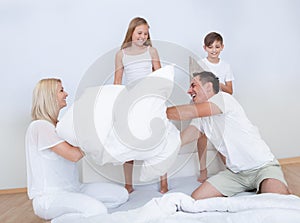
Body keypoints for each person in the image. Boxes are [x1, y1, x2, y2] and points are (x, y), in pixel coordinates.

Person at [166, 71, 290, 200]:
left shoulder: (223, 99)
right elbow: (181, 139)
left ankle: (265, 184)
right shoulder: (201, 119)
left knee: (278, 200)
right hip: (236, 175)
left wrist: (158, 111)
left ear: (208, 86)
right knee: (197, 198)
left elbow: (186, 112)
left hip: (262, 167)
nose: (189, 91)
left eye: (193, 85)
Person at [25, 78, 128, 222]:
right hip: (50, 197)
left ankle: (85, 213)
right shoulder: (39, 126)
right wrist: (96, 136)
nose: (66, 94)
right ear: (50, 96)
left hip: (75, 189)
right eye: (61, 90)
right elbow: (73, 155)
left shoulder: (60, 126)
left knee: (121, 195)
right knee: (98, 210)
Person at [113, 17, 168, 194]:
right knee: (128, 140)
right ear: (131, 33)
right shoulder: (121, 54)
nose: (142, 36)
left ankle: (164, 183)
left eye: (145, 33)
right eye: (139, 33)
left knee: (159, 139)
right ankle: (128, 184)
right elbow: (117, 80)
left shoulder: (151, 51)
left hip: (150, 99)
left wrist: (159, 96)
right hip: (131, 101)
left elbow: (159, 75)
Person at [197, 32, 235, 183]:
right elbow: (196, 86)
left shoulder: (226, 66)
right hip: (204, 104)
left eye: (217, 47)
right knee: (202, 136)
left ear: (222, 47)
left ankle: (230, 167)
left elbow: (230, 90)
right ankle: (203, 169)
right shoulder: (200, 64)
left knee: (221, 136)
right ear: (205, 48)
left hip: (220, 105)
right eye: (210, 47)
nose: (214, 50)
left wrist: (216, 82)